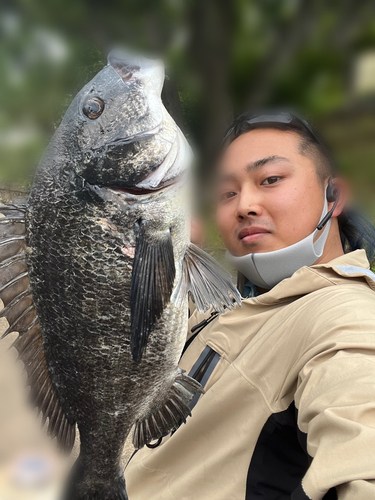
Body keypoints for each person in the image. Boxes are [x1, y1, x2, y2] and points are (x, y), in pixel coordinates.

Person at [125, 110, 375, 500]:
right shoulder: (241, 304)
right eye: (227, 193)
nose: (244, 205)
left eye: (271, 179)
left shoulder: (346, 315)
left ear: (334, 196)